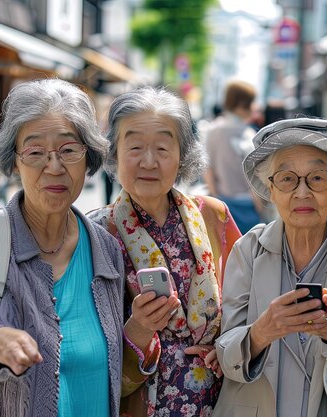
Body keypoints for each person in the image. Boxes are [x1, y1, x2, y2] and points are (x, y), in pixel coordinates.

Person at [0, 79, 126, 417]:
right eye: (35, 152)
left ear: (88, 157)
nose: (54, 166)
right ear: (15, 162)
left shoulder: (106, 247)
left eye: (68, 150)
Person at [214, 117, 327, 417]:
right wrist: (263, 330)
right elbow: (225, 357)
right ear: (271, 189)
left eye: (318, 177)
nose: (302, 192)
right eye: (287, 178)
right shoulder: (248, 250)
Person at [87, 86, 241, 416]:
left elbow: (245, 302)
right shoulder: (94, 233)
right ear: (113, 152)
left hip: (219, 402)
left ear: (183, 154)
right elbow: (83, 342)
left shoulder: (213, 216)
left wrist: (228, 344)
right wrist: (139, 329)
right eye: (135, 146)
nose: (148, 161)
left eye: (162, 146)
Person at [204, 79, 264, 233]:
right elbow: (253, 177)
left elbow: (207, 170)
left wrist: (216, 196)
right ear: (241, 103)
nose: (254, 107)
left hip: (221, 203)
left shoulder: (211, 131)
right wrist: (261, 210)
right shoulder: (247, 133)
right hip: (247, 206)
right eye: (251, 102)